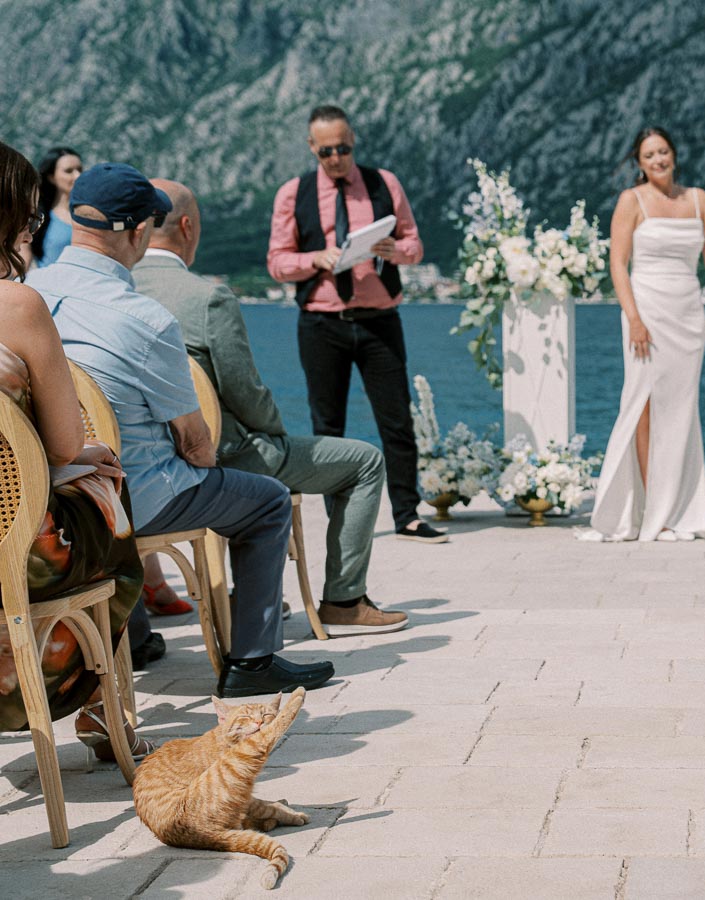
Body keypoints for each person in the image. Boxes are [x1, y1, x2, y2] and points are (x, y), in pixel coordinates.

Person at [26, 162, 336, 698]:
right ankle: (253, 662)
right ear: (139, 231)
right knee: (265, 502)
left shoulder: (28, 295)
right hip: (129, 499)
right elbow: (195, 445)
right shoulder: (144, 320)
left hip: (56, 493)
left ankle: (138, 636)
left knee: (135, 478)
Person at [136, 179, 405, 635]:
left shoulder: (114, 292)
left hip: (140, 466)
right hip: (221, 456)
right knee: (364, 461)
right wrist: (275, 432)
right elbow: (243, 391)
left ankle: (252, 594)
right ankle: (344, 598)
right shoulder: (206, 297)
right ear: (187, 227)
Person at [0, 140, 149, 760]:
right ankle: (97, 708)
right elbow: (63, 443)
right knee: (110, 498)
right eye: (33, 218)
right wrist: (88, 454)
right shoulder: (19, 306)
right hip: (16, 544)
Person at [266, 104, 443, 544]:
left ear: (354, 140)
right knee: (327, 425)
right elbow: (276, 262)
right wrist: (315, 259)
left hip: (380, 318)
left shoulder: (384, 183)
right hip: (322, 323)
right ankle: (339, 518)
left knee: (397, 420)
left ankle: (407, 514)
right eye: (326, 151)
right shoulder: (293, 192)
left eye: (342, 148)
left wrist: (394, 250)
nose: (335, 158)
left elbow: (415, 243)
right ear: (312, 148)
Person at [579, 128, 705, 541]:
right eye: (649, 155)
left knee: (679, 411)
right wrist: (635, 319)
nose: (658, 160)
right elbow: (618, 266)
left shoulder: (698, 199)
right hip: (645, 312)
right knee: (643, 405)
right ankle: (651, 514)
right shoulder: (632, 200)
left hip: (688, 315)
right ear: (639, 163)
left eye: (663, 152)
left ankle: (678, 511)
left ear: (674, 155)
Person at [32, 147, 82, 267]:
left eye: (80, 169)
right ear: (51, 177)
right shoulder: (38, 216)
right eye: (69, 171)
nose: (77, 176)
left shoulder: (93, 212)